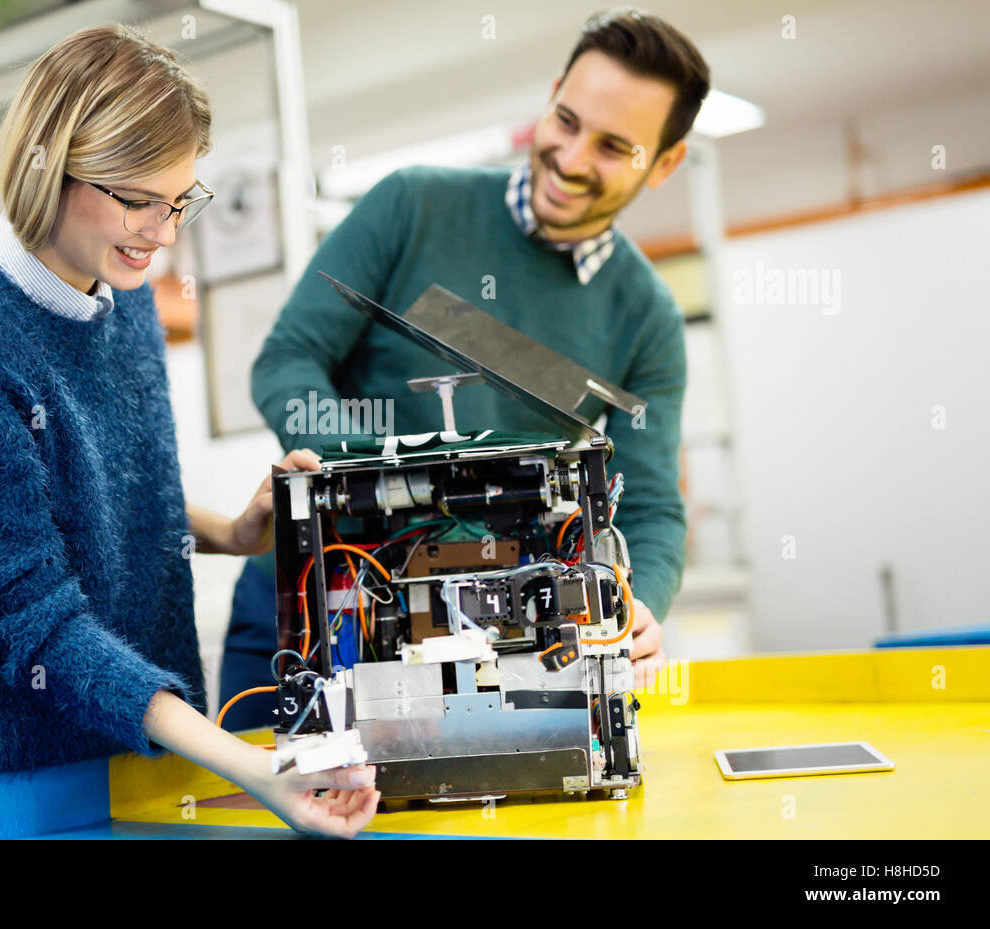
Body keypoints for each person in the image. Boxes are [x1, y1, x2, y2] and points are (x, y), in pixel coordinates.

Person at [0, 23, 378, 838]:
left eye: (180, 200)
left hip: (126, 748)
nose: (164, 232)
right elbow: (35, 620)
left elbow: (117, 511)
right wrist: (253, 768)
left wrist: (231, 530)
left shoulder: (123, 296)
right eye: (136, 200)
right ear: (45, 167)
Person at [219, 7, 709, 730]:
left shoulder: (648, 318)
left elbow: (652, 509)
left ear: (664, 164)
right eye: (566, 122)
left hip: (494, 640)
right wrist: (391, 473)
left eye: (613, 147)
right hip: (313, 604)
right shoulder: (410, 205)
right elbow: (286, 363)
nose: (572, 160)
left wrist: (643, 605)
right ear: (550, 98)